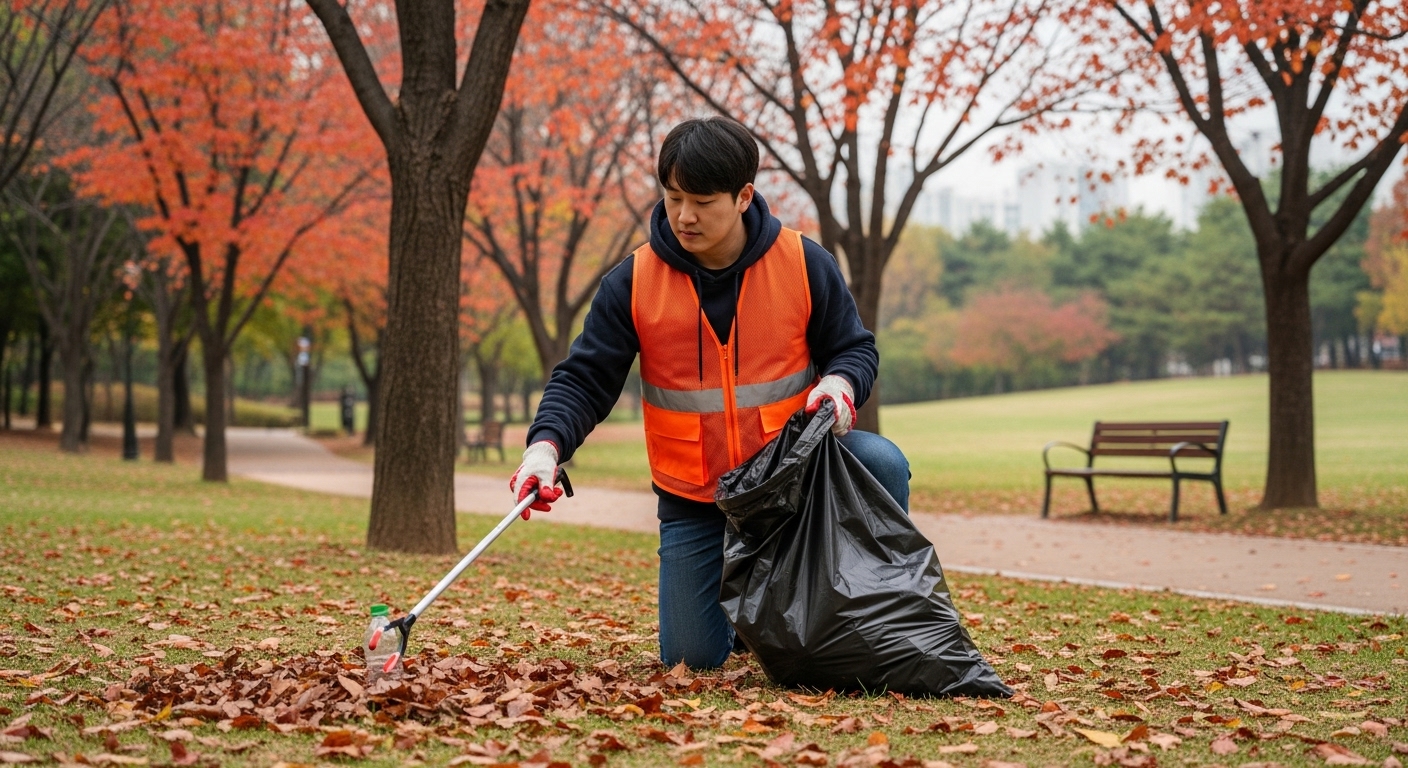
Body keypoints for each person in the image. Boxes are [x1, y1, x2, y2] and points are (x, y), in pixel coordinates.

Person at [510, 117, 910, 669]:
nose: (684, 216)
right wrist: (545, 448)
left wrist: (841, 386)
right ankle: (746, 610)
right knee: (692, 661)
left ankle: (869, 613)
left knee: (881, 460)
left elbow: (855, 349)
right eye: (672, 198)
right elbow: (584, 378)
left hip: (791, 490)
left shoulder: (803, 262)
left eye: (701, 200)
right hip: (696, 500)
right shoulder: (632, 282)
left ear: (744, 195)